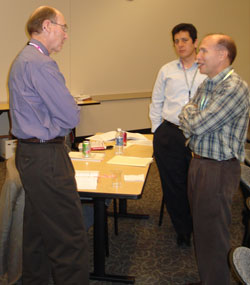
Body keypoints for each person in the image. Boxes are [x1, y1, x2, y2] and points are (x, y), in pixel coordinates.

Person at [8, 6, 89, 284]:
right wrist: (59, 125)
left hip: (31, 155)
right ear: (46, 26)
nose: (65, 35)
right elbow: (70, 115)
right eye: (63, 28)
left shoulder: (24, 59)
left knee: (38, 232)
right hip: (47, 157)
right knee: (70, 236)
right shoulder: (41, 63)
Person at [179, 34, 250, 285]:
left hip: (218, 169)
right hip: (199, 162)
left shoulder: (234, 87)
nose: (197, 56)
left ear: (222, 55)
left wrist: (193, 117)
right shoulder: (207, 84)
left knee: (214, 232)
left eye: (204, 51)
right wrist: (192, 117)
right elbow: (184, 115)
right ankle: (209, 279)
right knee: (202, 229)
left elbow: (198, 122)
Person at [149, 23, 206, 247]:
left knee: (198, 183)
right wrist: (156, 130)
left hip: (200, 133)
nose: (180, 45)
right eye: (176, 41)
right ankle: (182, 229)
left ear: (194, 42)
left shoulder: (205, 69)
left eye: (184, 40)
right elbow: (157, 101)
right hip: (171, 132)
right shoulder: (167, 70)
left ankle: (199, 224)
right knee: (173, 184)